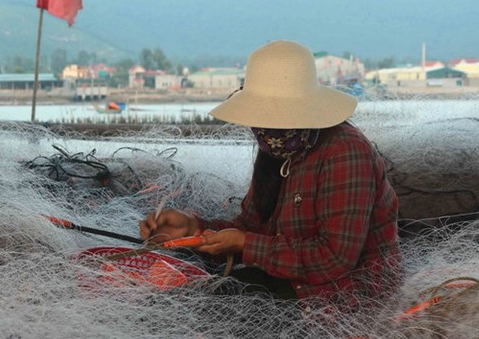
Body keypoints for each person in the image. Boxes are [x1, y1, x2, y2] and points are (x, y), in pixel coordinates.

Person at [139, 40, 400, 308]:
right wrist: (193, 229)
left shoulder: (345, 152)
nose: (262, 126)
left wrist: (244, 245)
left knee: (208, 306)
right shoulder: (277, 147)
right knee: (182, 291)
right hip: (287, 281)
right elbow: (251, 227)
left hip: (345, 297)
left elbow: (334, 259)